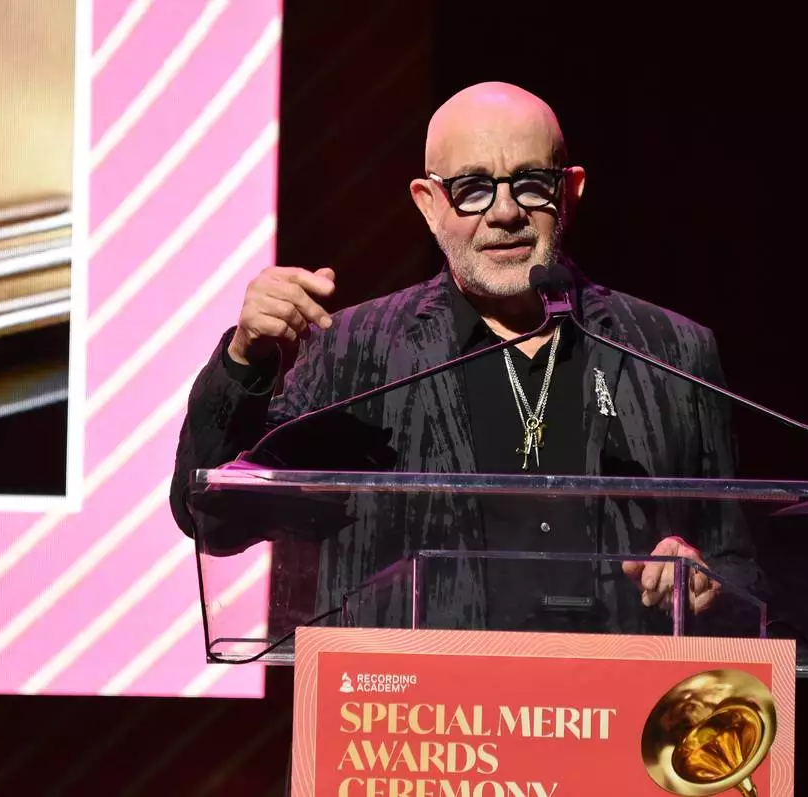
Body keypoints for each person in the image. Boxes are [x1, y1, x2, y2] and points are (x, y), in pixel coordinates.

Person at [170, 82, 761, 632]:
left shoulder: (671, 353)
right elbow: (214, 521)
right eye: (473, 188)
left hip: (620, 724)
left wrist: (704, 581)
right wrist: (245, 359)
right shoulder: (354, 352)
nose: (505, 212)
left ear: (571, 191)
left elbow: (738, 570)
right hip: (418, 732)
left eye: (531, 182)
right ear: (429, 203)